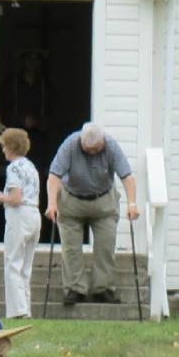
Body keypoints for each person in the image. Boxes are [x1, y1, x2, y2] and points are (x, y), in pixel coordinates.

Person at [45, 122, 138, 306]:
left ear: (103, 141)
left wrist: (132, 203)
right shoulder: (70, 144)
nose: (92, 153)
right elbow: (54, 175)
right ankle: (74, 289)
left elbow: (127, 176)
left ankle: (103, 289)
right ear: (81, 141)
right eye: (88, 150)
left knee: (105, 245)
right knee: (71, 248)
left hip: (103, 201)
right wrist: (52, 203)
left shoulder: (111, 145)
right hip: (72, 200)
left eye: (96, 149)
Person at [0, 127, 43, 320]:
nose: (3, 150)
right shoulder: (31, 167)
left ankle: (17, 311)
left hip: (19, 216)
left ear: (10, 147)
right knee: (25, 266)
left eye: (4, 146)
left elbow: (16, 198)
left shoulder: (13, 168)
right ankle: (26, 308)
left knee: (12, 262)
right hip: (34, 214)